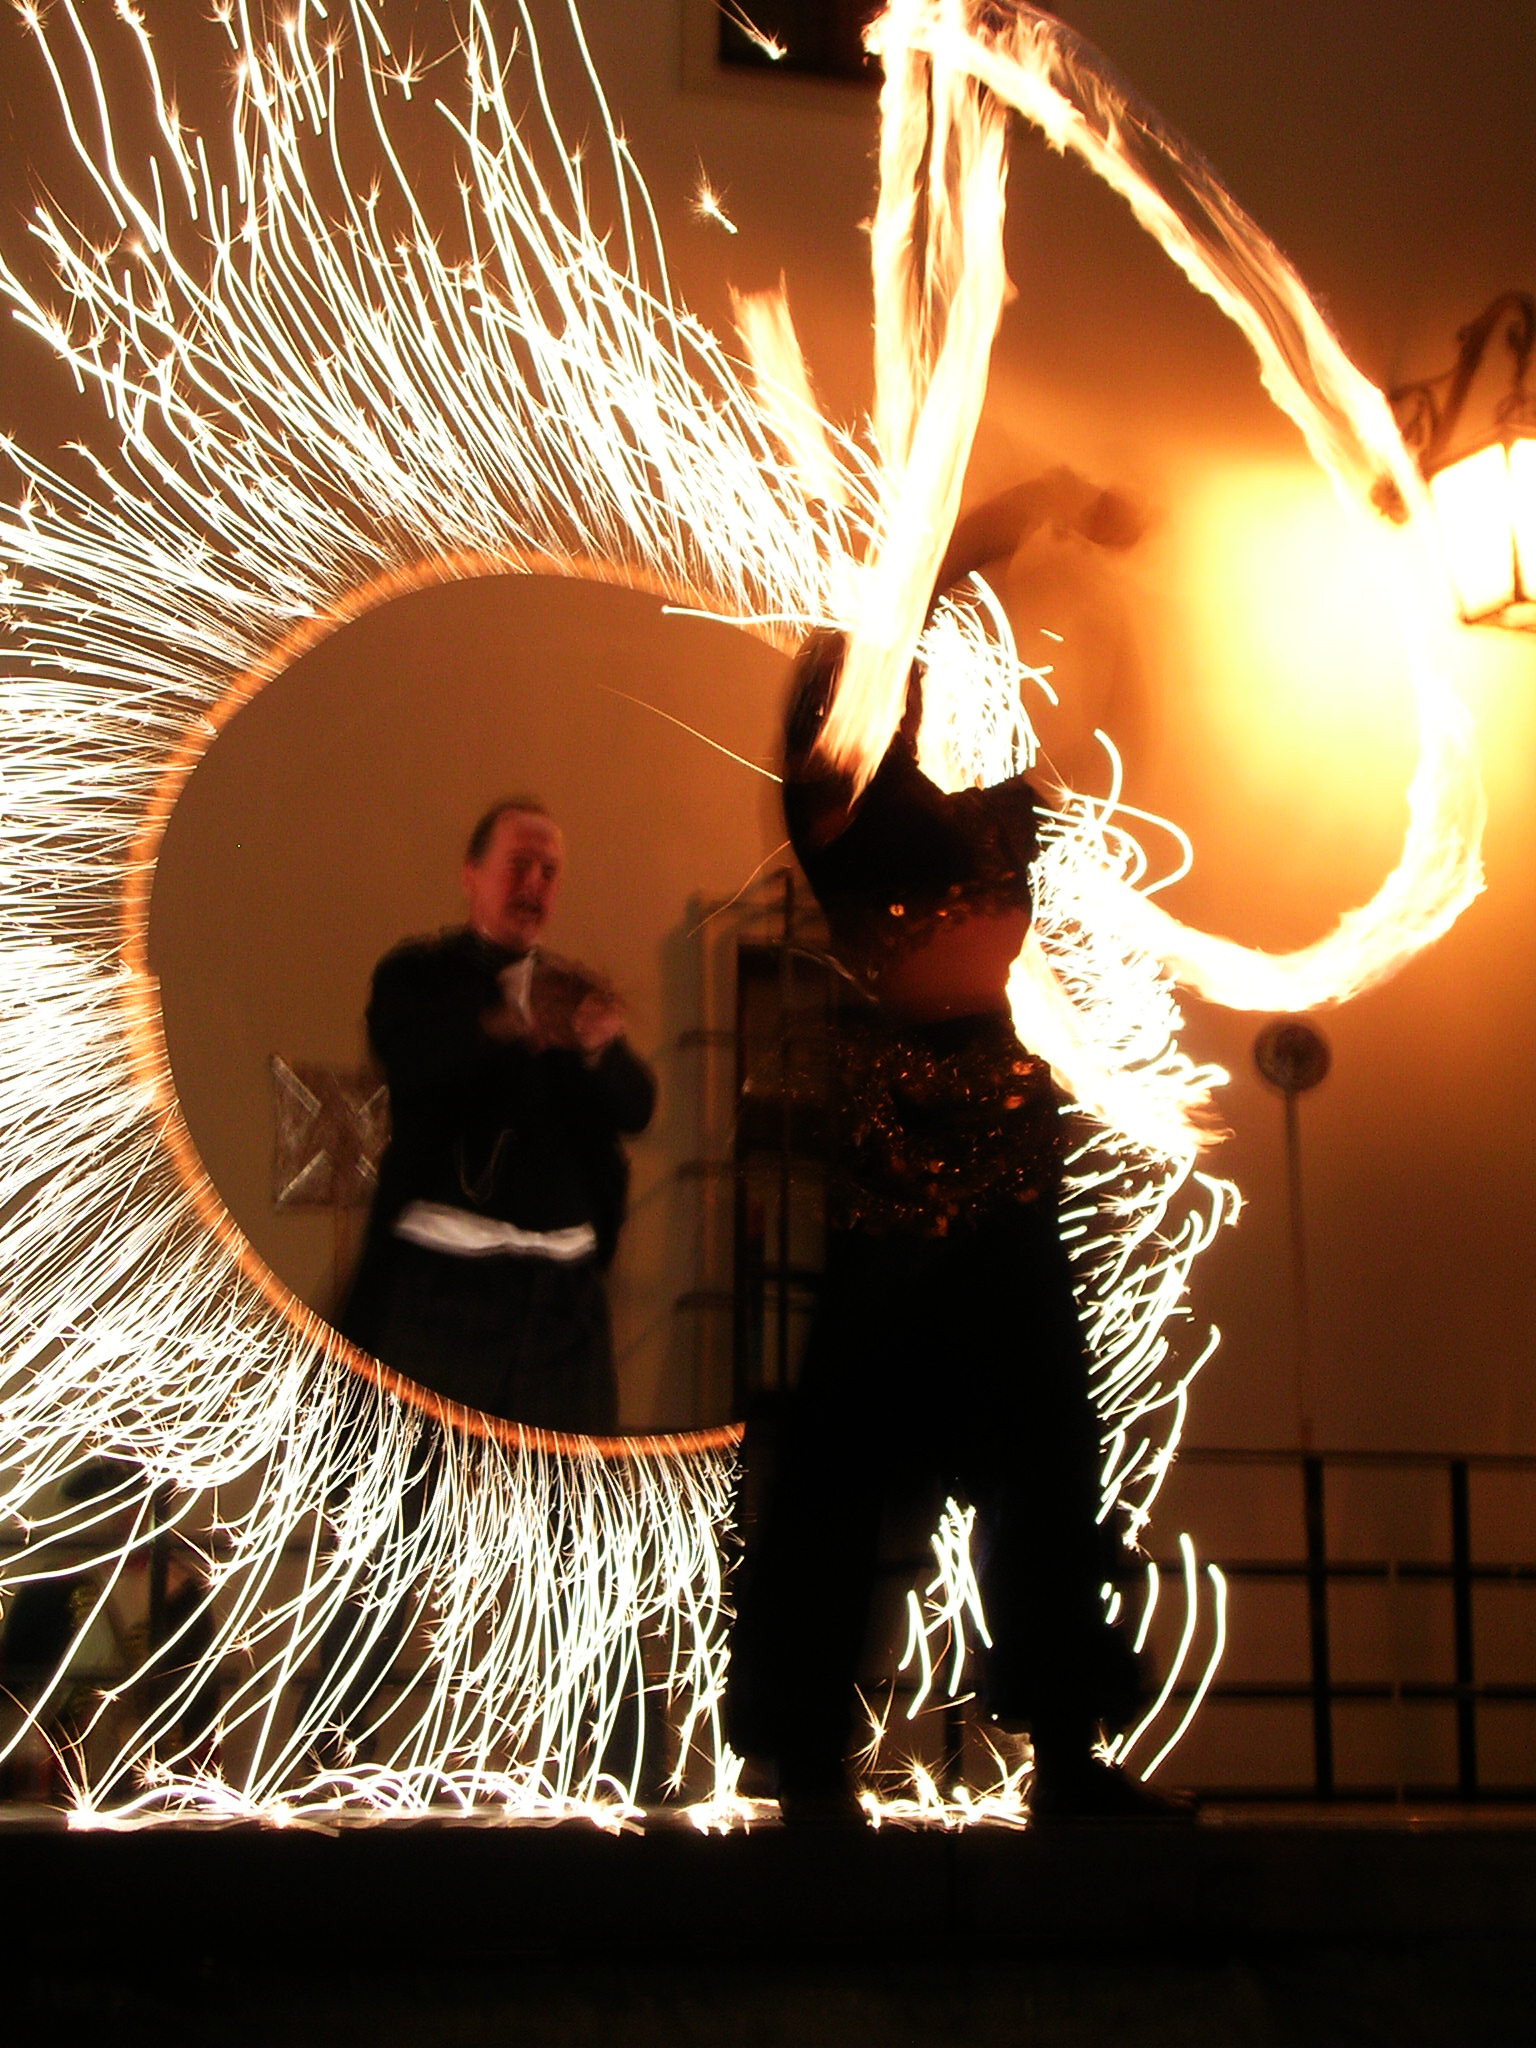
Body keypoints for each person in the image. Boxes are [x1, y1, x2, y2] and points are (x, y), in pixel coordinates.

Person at [727, 472, 1190, 1824]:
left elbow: (1106, 750)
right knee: (848, 1460)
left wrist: (1119, 607)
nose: (907, 682)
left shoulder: (972, 813)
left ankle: (1067, 1756)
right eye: (886, 670)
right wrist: (1020, 512)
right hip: (898, 1167)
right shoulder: (840, 808)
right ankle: (808, 1760)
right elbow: (896, 610)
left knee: (1048, 1447)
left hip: (1006, 1160)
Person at [342, 798, 656, 1435]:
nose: (533, 885)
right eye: (518, 865)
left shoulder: (570, 993)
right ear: (472, 874)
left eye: (549, 872)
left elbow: (637, 1107)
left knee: (560, 1490)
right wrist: (506, 1022)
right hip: (444, 1295)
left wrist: (598, 1049)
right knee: (430, 1482)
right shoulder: (418, 975)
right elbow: (409, 1056)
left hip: (565, 1310)